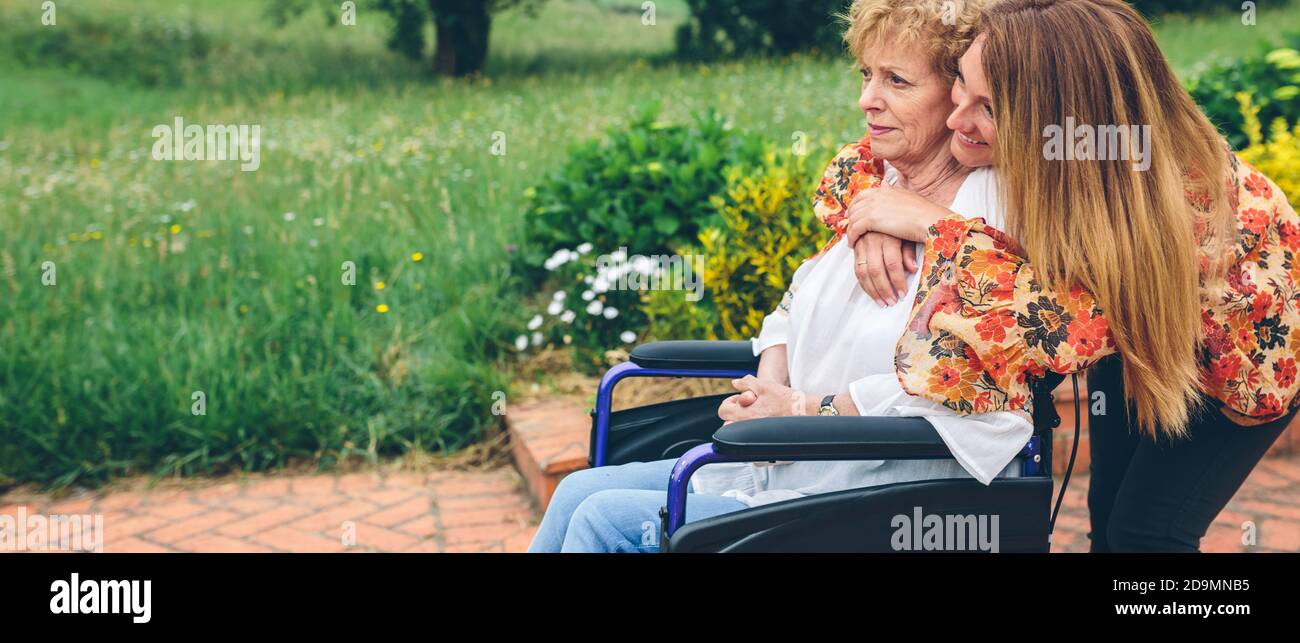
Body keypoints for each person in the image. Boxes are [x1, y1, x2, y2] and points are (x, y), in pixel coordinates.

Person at [527, 0, 1030, 554]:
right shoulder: (880, 185)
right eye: (866, 73)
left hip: (878, 496)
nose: (867, 99)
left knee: (607, 520)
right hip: (790, 465)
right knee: (577, 491)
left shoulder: (985, 219)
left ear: (955, 90)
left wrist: (800, 413)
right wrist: (772, 385)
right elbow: (794, 305)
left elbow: (964, 388)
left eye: (897, 80)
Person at [841, 0, 1299, 551]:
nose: (956, 118)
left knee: (1146, 533)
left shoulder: (1157, 199)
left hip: (1240, 351)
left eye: (988, 109)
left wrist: (936, 225)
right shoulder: (1061, 143)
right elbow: (878, 159)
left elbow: (1053, 324)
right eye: (961, 83)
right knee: (1106, 516)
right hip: (1140, 329)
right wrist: (879, 212)